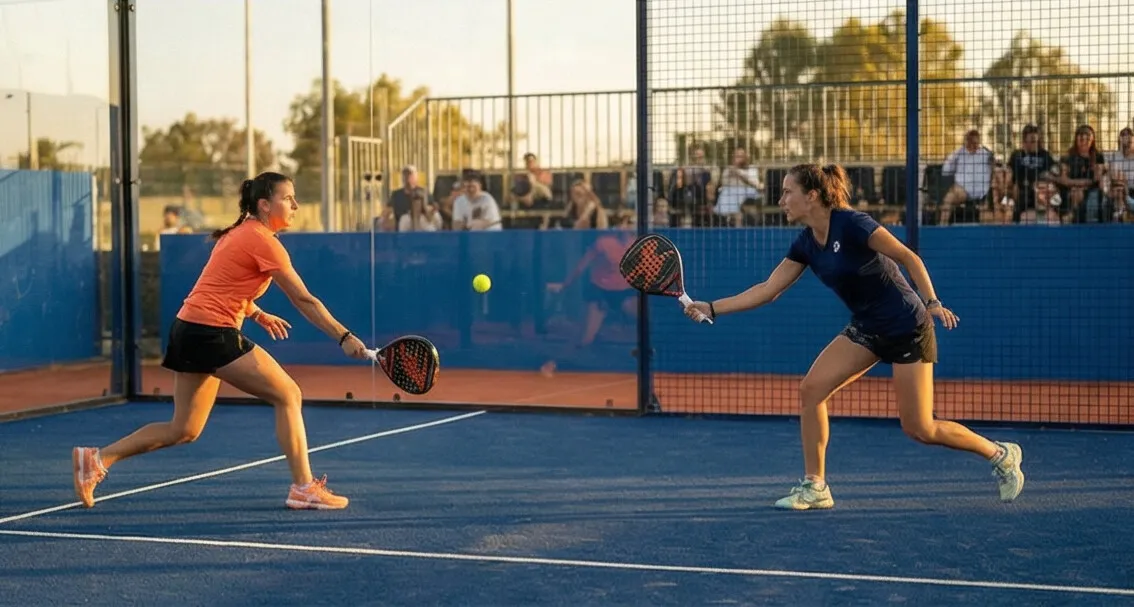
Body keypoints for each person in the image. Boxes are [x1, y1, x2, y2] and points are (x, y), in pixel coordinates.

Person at [683, 164, 1025, 511]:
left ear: (811, 195)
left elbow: (908, 257)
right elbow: (768, 289)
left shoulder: (853, 224)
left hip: (908, 327)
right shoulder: (805, 243)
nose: (781, 199)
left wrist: (932, 302)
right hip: (867, 328)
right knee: (811, 390)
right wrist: (712, 307)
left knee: (921, 428)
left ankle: (1000, 454)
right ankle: (816, 486)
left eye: (787, 192)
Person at [72, 171, 369, 511]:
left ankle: (96, 460)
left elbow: (221, 283)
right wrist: (343, 336)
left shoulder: (240, 233)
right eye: (288, 198)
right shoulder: (262, 240)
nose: (295, 205)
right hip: (211, 333)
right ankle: (303, 488)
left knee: (184, 429)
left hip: (189, 329)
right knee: (289, 394)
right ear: (264, 204)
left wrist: (256, 313)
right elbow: (304, 299)